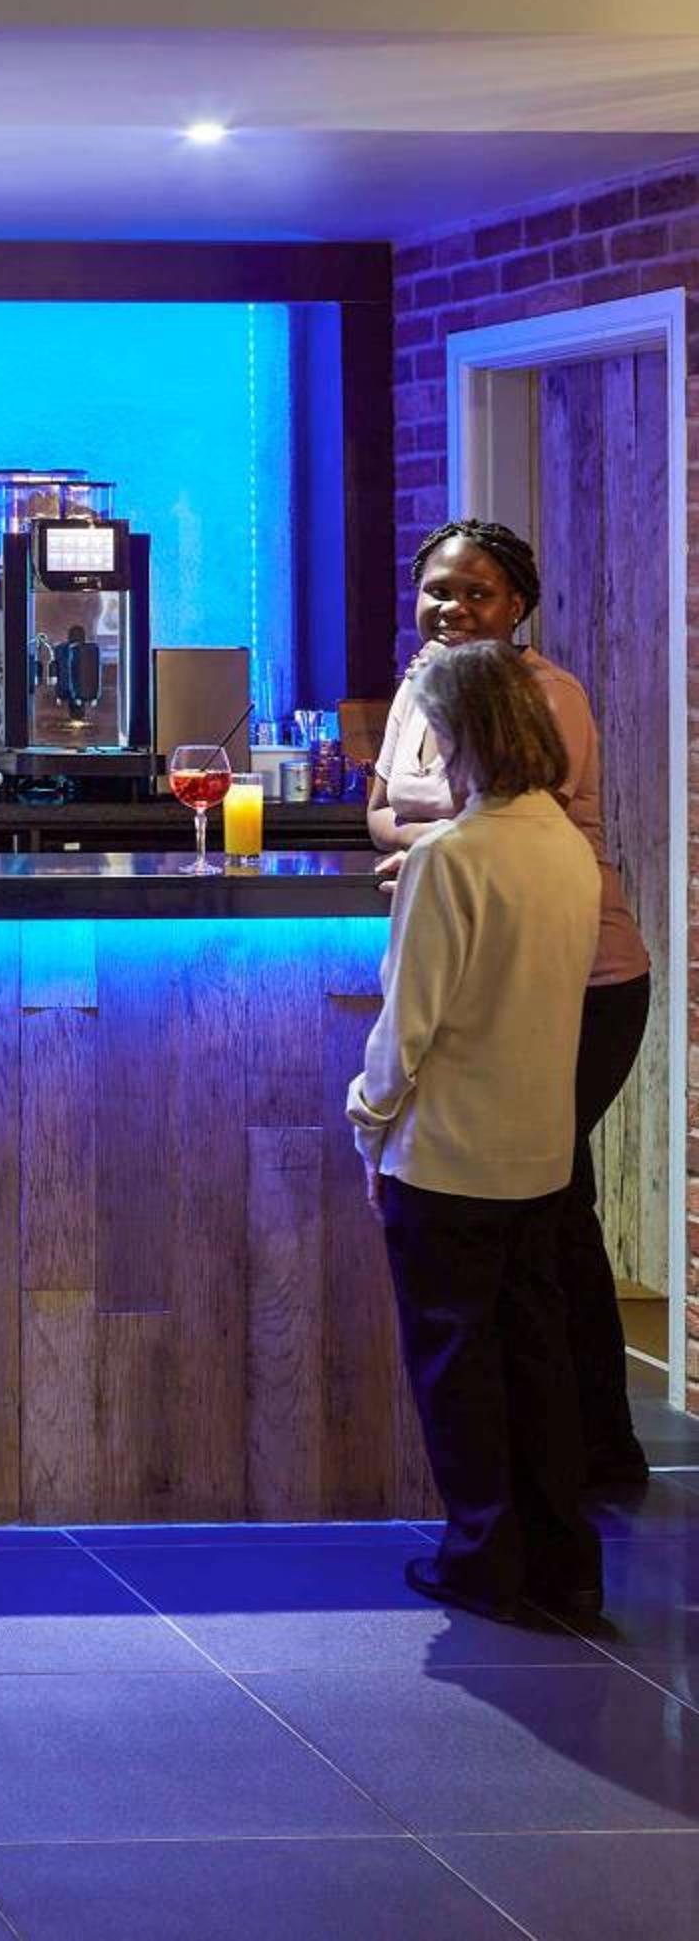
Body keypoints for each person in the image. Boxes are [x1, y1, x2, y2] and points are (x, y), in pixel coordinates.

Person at [370, 519, 654, 1490]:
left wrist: (437, 844)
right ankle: (571, 1459)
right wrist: (441, 838)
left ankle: (594, 1450)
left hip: (586, 981)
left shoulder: (547, 693)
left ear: (518, 605)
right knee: (549, 1210)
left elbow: (525, 819)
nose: (451, 607)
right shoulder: (421, 686)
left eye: (475, 591)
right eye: (437, 590)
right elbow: (379, 811)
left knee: (553, 1204)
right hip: (495, 970)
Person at [350, 638, 607, 1625]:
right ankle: (565, 1562)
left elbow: (408, 1026)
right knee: (539, 1362)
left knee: (458, 1367)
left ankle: (483, 1561)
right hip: (538, 1151)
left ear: (463, 734)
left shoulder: (449, 859)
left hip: (449, 1156)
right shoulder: (568, 849)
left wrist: (368, 1123)